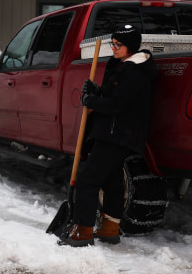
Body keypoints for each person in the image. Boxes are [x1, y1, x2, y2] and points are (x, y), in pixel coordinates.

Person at [60, 24, 158, 247]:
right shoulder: (123, 66)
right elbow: (116, 94)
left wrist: (91, 101)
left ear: (131, 47)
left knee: (88, 180)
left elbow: (120, 105)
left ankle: (82, 232)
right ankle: (109, 228)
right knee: (112, 182)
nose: (113, 48)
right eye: (112, 43)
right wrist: (98, 90)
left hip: (118, 135)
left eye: (118, 45)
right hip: (113, 133)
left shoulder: (135, 72)